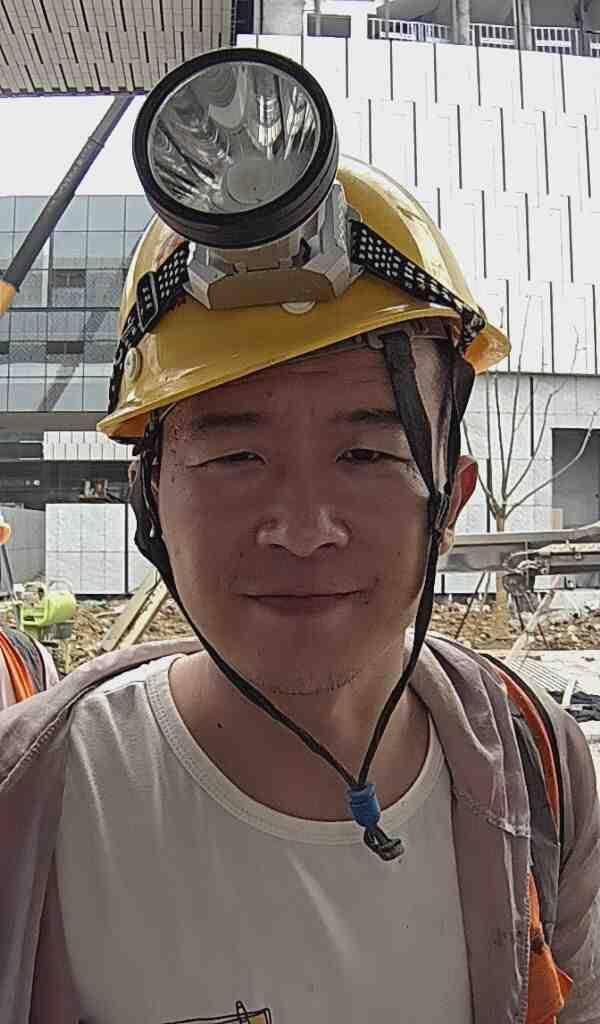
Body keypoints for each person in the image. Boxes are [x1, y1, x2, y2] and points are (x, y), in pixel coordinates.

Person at [1, 48, 599, 1024]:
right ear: (148, 497)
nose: (304, 528)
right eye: (236, 456)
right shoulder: (30, 808)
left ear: (451, 497)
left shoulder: (539, 769)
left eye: (366, 454)